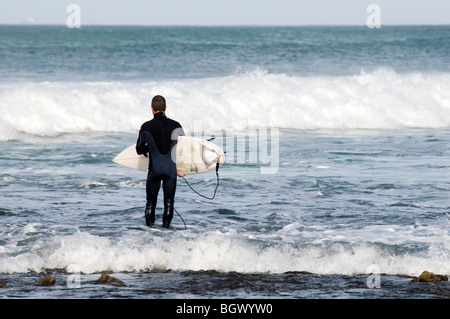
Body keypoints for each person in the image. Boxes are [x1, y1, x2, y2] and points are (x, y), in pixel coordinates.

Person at [136, 95, 184, 228]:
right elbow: (182, 149)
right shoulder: (176, 125)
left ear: (152, 109)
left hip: (154, 170)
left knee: (150, 203)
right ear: (165, 108)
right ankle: (166, 233)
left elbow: (139, 150)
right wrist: (181, 170)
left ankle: (150, 232)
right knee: (169, 203)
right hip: (171, 170)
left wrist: (150, 148)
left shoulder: (145, 127)